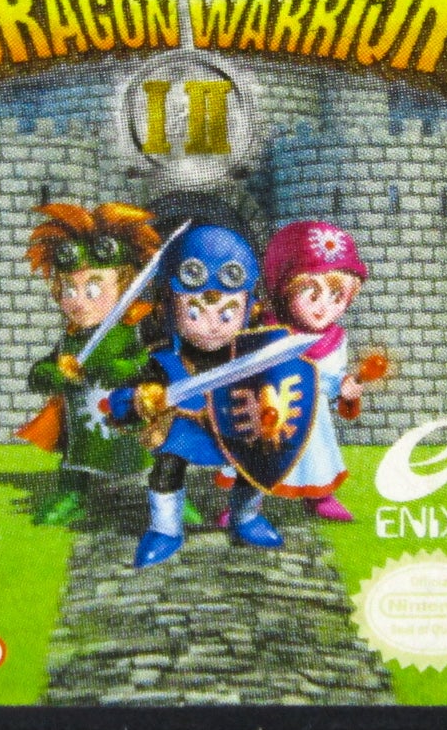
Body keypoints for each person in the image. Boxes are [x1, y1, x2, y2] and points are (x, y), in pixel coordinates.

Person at [104, 224, 289, 567]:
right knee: (168, 466)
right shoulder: (162, 361)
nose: (211, 324)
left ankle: (246, 516)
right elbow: (121, 401)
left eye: (227, 313)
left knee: (254, 462)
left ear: (248, 308)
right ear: (169, 308)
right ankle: (165, 529)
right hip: (183, 429)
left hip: (234, 425)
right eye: (194, 311)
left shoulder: (251, 357)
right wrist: (140, 399)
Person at [214, 220, 379, 522]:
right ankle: (243, 504)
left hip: (312, 413)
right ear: (285, 289)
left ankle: (319, 495)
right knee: (258, 458)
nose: (323, 307)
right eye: (312, 295)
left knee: (316, 456)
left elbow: (331, 379)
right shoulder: (265, 331)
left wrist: (345, 387)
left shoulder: (334, 340)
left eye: (337, 297)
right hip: (267, 409)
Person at [16, 202, 162, 525]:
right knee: (76, 462)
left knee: (150, 462)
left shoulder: (131, 330)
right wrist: (54, 374)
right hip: (83, 431)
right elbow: (39, 373)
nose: (78, 301)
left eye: (93, 287)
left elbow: (146, 361)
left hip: (128, 426)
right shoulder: (70, 339)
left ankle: (166, 497)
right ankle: (73, 494)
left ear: (125, 284)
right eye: (69, 288)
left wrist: (124, 369)